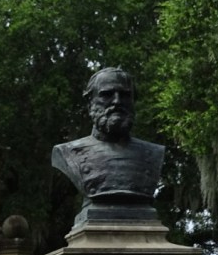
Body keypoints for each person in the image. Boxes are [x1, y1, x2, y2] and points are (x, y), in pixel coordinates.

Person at [51, 68, 164, 211]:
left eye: (125, 95)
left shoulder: (154, 153)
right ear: (90, 103)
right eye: (107, 95)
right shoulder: (67, 152)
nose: (117, 101)